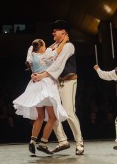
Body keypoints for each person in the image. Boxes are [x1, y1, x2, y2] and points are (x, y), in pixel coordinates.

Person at [32, 20, 84, 155]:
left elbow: (58, 64)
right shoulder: (53, 46)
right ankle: (63, 141)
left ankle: (79, 143)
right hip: (55, 82)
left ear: (64, 32)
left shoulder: (69, 46)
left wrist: (42, 75)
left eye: (55, 30)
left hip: (68, 82)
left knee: (69, 112)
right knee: (53, 115)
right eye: (53, 30)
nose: (53, 33)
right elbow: (45, 58)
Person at [13, 36, 69, 155]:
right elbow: (57, 51)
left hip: (35, 88)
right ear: (42, 47)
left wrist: (54, 44)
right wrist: (64, 40)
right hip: (46, 87)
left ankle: (33, 140)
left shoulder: (32, 55)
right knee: (52, 117)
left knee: (40, 117)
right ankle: (43, 143)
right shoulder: (46, 55)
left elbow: (49, 49)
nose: (46, 47)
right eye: (44, 45)